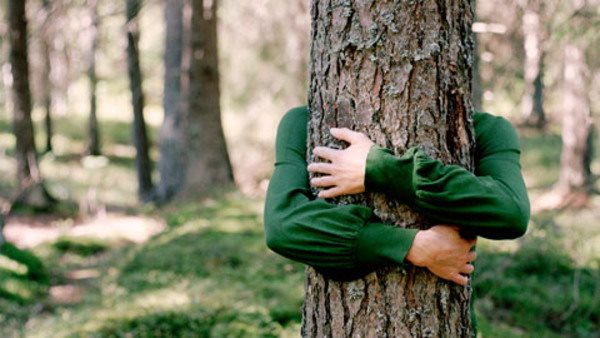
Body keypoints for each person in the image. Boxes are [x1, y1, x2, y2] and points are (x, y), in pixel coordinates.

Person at [264, 106, 530, 285]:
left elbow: (511, 212)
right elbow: (283, 225)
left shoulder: (484, 129)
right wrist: (411, 245)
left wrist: (381, 169)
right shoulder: (304, 121)